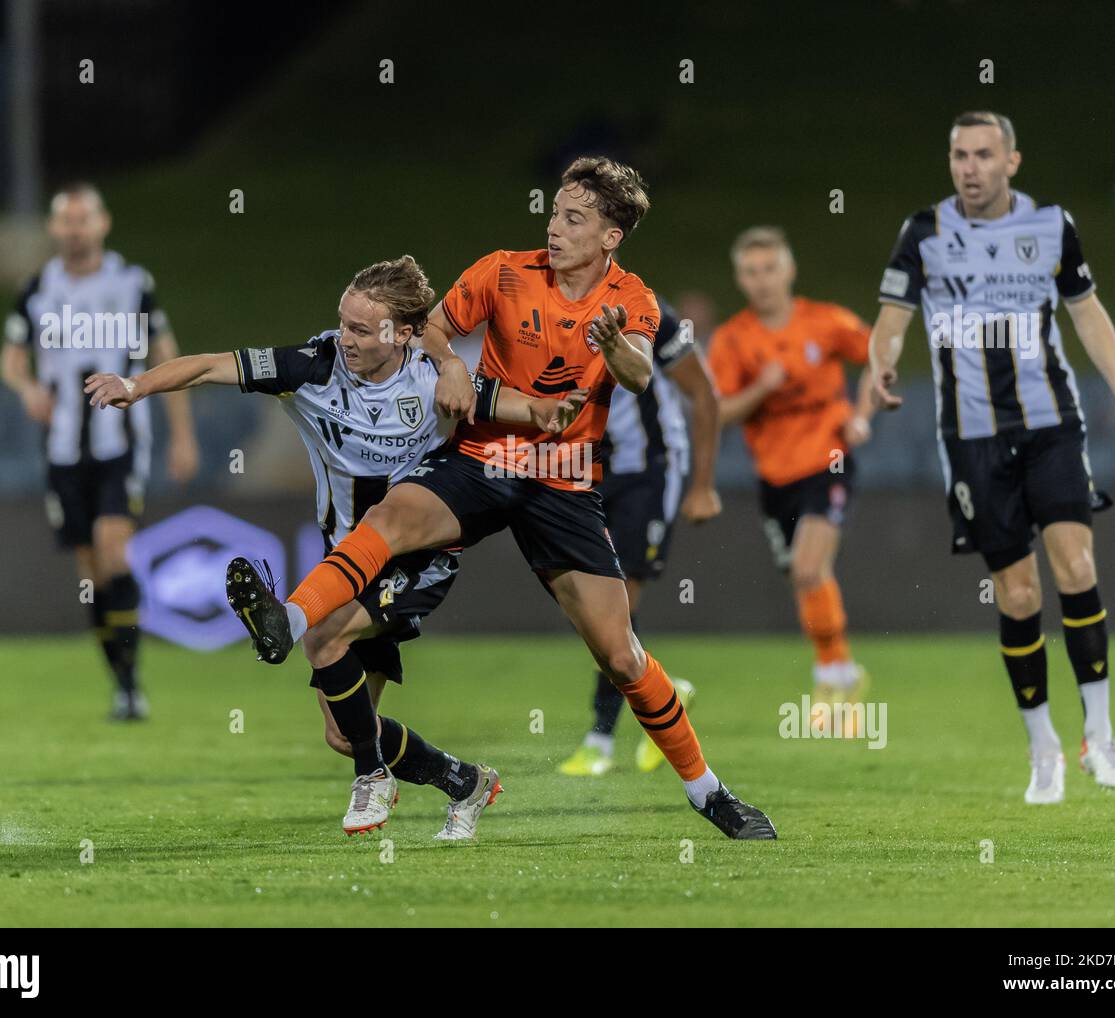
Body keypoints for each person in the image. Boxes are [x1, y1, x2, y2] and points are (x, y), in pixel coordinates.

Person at [229, 156, 777, 840]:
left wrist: (615, 347)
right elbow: (429, 326)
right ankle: (286, 615)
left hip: (564, 480)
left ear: (610, 236)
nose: (553, 227)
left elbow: (638, 375)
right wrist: (454, 361)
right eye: (553, 211)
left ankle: (709, 794)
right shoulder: (503, 270)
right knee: (392, 516)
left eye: (573, 219)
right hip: (485, 457)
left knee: (622, 656)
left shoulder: (632, 299)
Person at [85, 255, 582, 839]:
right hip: (342, 559)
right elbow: (209, 367)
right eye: (342, 323)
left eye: (359, 329)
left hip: (417, 558)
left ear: (402, 334)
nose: (342, 338)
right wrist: (136, 385)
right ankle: (465, 783)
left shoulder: (432, 375)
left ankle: (372, 775)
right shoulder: (312, 366)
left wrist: (551, 413)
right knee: (344, 733)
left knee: (323, 637)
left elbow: (511, 405)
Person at [869, 111, 1115, 804]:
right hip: (970, 438)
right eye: (958, 155)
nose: (968, 167)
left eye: (981, 154)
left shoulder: (1051, 227)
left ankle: (1100, 735)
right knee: (1021, 593)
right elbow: (889, 320)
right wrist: (880, 367)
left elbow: (1087, 312)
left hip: (1051, 424)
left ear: (1011, 162)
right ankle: (1044, 748)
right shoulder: (924, 232)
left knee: (1078, 566)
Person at [0, 183, 200, 721]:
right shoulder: (37, 288)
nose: (75, 229)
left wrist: (183, 433)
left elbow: (166, 354)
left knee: (114, 550)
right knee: (90, 574)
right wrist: (27, 389)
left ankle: (132, 681)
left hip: (121, 442)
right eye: (66, 220)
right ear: (53, 229)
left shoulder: (132, 283)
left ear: (102, 223)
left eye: (83, 219)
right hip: (63, 450)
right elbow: (11, 359)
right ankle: (120, 678)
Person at [708, 226, 876, 731]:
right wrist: (760, 387)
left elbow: (879, 357)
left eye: (770, 269)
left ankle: (831, 674)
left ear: (789, 270)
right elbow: (718, 412)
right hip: (774, 476)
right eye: (751, 271)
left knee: (807, 567)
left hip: (829, 460)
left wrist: (863, 413)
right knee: (807, 579)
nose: (761, 281)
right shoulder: (734, 339)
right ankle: (844, 672)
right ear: (740, 278)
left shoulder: (825, 321)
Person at [557, 298, 722, 776]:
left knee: (618, 607)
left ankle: (599, 741)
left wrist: (704, 486)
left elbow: (705, 394)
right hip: (586, 471)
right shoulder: (546, 304)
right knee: (588, 610)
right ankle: (667, 694)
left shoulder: (651, 313)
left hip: (650, 471)